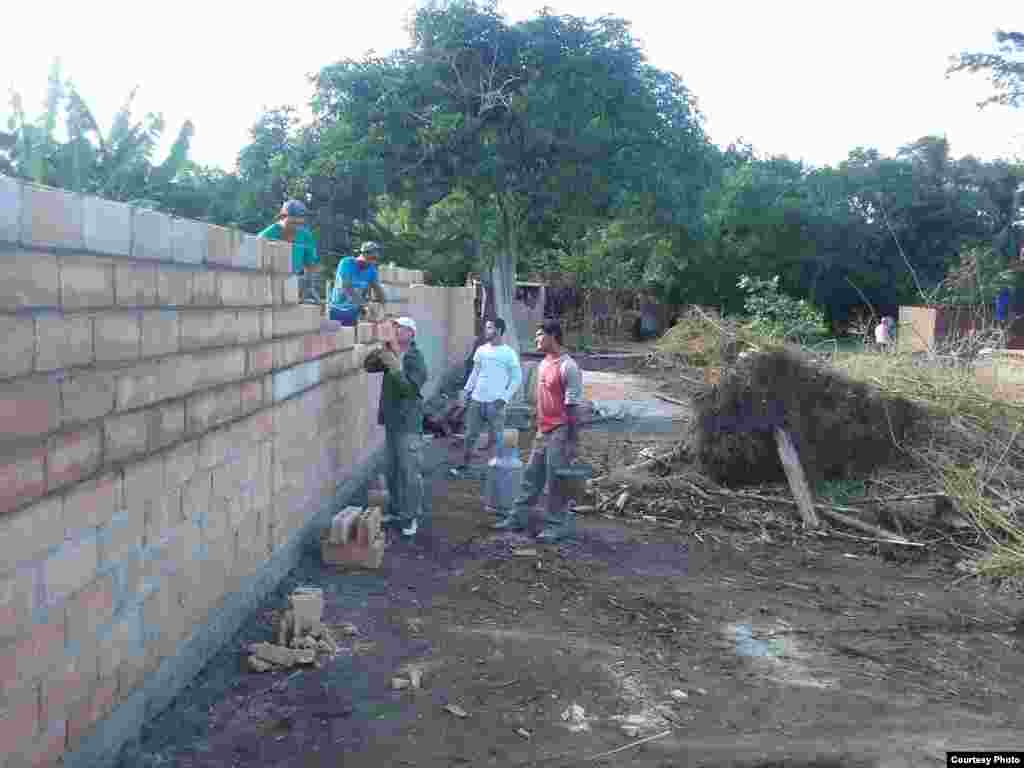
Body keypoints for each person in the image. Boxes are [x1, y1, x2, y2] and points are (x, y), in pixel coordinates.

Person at [498, 319, 583, 543]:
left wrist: (573, 440)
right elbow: (543, 399)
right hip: (543, 429)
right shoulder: (544, 363)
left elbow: (573, 407)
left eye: (539, 335)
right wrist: (537, 422)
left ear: (553, 336)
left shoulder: (568, 367)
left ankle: (555, 526)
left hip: (560, 430)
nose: (536, 339)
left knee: (555, 480)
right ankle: (518, 519)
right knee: (531, 476)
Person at [364, 316, 428, 538]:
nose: (395, 331)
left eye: (399, 328)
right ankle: (396, 511)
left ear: (410, 333)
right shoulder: (391, 353)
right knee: (392, 472)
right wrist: (381, 349)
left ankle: (410, 517)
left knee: (409, 472)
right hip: (392, 423)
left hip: (408, 424)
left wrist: (397, 369)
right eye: (394, 327)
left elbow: (410, 391)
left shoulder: (414, 358)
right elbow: (368, 366)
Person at [450, 317, 522, 477]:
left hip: (496, 403)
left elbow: (517, 378)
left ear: (499, 330)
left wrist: (504, 398)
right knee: (469, 436)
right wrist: (466, 391)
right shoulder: (481, 350)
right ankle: (464, 465)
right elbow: (475, 373)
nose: (486, 330)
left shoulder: (509, 353)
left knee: (497, 438)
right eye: (486, 327)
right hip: (476, 400)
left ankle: (497, 470)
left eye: (489, 327)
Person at [258, 200, 321, 303]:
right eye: (293, 223)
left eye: (300, 224)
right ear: (282, 218)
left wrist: (309, 287)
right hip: (267, 285)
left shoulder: (305, 236)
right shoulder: (266, 236)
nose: (296, 227)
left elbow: (310, 265)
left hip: (292, 285)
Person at [329, 241, 388, 326]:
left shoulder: (371, 270)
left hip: (355, 311)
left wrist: (385, 309)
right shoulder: (347, 263)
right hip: (339, 309)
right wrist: (365, 305)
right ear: (364, 254)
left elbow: (378, 290)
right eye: (371, 258)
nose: (373, 262)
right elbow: (347, 287)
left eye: (375, 259)